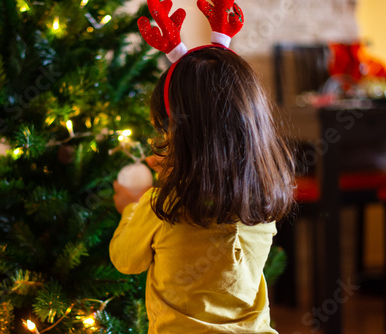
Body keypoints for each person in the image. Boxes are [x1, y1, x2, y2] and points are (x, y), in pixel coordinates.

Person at [110, 47, 295, 333]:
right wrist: (181, 170)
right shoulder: (260, 200)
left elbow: (126, 260)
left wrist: (131, 207)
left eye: (165, 132)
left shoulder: (162, 205)